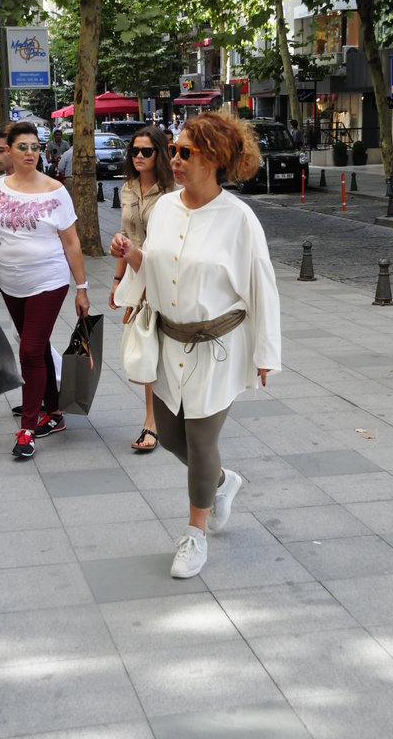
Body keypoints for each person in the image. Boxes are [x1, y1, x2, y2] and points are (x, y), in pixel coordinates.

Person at [111, 113, 281, 578]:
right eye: (175, 150)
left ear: (213, 158)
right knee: (169, 435)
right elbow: (157, 265)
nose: (174, 159)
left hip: (219, 346)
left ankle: (194, 534)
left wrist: (266, 353)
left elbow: (262, 286)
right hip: (169, 341)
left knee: (202, 439)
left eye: (185, 152)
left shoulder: (239, 219)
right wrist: (131, 257)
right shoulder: (165, 208)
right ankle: (221, 481)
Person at [0, 121, 90, 460]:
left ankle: (27, 429)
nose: (30, 152)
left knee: (28, 351)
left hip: (48, 281)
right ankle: (55, 413)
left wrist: (82, 287)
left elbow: (71, 242)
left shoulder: (55, 191)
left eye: (35, 147)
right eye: (22, 147)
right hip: (11, 282)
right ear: (10, 150)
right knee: (38, 348)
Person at [109, 126, 175, 452]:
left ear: (159, 154)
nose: (138, 156)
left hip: (165, 278)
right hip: (136, 276)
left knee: (169, 350)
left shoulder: (172, 193)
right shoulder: (128, 188)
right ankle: (152, 420)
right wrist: (117, 280)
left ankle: (175, 415)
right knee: (148, 347)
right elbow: (126, 236)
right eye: (134, 150)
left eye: (146, 151)